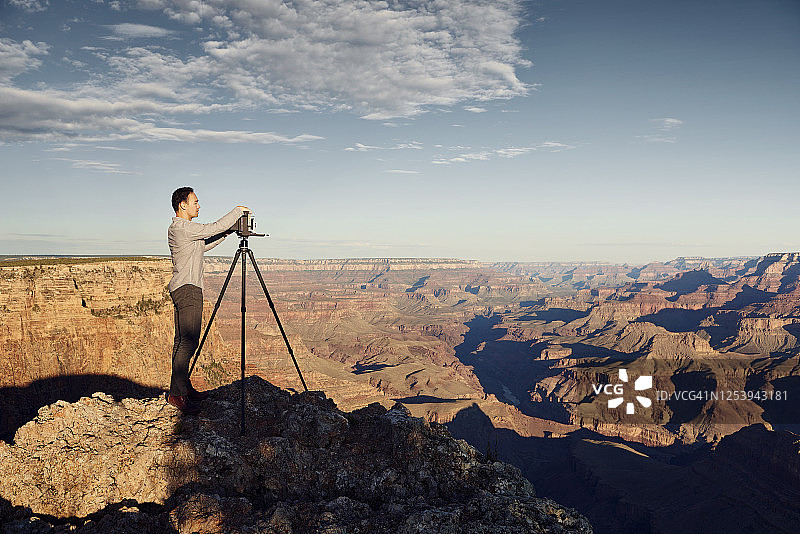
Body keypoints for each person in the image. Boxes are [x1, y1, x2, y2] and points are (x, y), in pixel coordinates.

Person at [167, 186, 248, 414]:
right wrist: (237, 211)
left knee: (181, 341)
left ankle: (183, 388)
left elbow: (204, 244)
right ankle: (177, 395)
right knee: (188, 342)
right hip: (188, 290)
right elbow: (210, 229)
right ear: (183, 204)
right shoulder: (182, 227)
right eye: (195, 201)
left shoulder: (183, 230)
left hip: (184, 289)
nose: (198, 205)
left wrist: (228, 232)